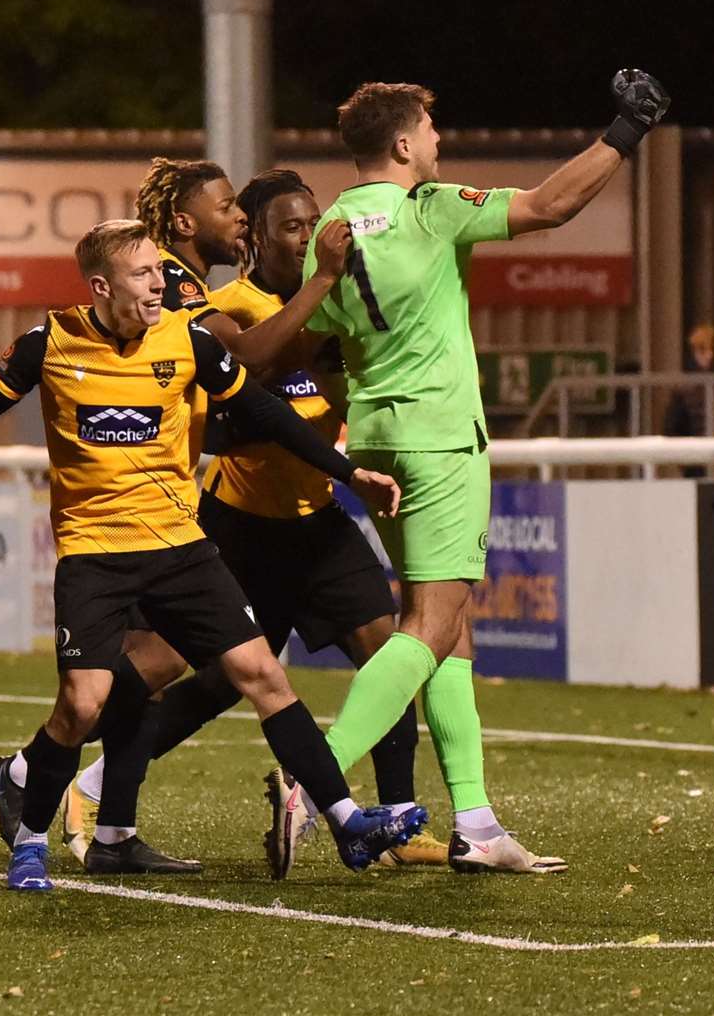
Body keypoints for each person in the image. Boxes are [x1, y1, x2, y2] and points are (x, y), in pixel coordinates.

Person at [0, 218, 426, 892]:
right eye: (144, 273)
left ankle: (345, 821)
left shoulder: (187, 337)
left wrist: (347, 473)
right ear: (102, 284)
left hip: (181, 550)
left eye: (162, 271)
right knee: (82, 707)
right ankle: (28, 840)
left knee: (263, 676)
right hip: (95, 554)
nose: (160, 283)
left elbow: (262, 411)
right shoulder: (48, 341)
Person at [293, 71, 670, 874]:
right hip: (437, 437)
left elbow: (321, 340)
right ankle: (311, 783)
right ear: (401, 144)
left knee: (450, 632)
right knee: (428, 626)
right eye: (429, 130)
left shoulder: (329, 226)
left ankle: (477, 825)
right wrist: (625, 132)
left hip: (374, 438)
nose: (438, 140)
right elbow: (548, 205)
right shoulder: (428, 208)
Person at [53, 169, 445, 876]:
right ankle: (81, 782)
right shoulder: (227, 305)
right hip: (241, 528)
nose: (306, 237)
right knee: (197, 679)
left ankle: (395, 817)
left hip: (318, 524)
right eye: (287, 227)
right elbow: (247, 365)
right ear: (257, 240)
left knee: (391, 656)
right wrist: (324, 288)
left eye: (311, 224)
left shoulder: (335, 306)